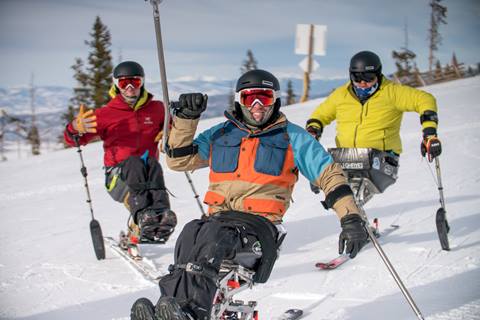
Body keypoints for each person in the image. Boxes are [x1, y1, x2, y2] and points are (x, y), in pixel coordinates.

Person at [130, 69, 368, 320]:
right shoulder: (221, 134)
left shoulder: (292, 137)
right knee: (191, 232)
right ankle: (169, 310)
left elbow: (329, 175)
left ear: (274, 100)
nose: (257, 106)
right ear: (239, 101)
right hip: (218, 220)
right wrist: (187, 119)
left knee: (213, 237)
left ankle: (193, 313)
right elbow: (179, 161)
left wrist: (351, 218)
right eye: (249, 99)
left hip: (260, 229)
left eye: (264, 99)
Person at [63, 61, 177, 248]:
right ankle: (143, 217)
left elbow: (173, 129)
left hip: (148, 174)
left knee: (152, 164)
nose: (130, 87)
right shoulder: (105, 114)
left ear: (142, 82)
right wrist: (75, 128)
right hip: (118, 178)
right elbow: (74, 139)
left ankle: (160, 216)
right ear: (116, 84)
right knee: (134, 163)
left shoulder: (157, 109)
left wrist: (168, 133)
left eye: (135, 82)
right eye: (124, 83)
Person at [306, 50, 442, 164]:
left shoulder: (391, 92)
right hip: (347, 156)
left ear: (378, 74)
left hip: (381, 157)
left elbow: (425, 99)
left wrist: (429, 133)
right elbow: (320, 115)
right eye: (357, 77)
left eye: (369, 77)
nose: (363, 83)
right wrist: (313, 130)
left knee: (347, 185)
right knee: (322, 171)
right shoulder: (342, 94)